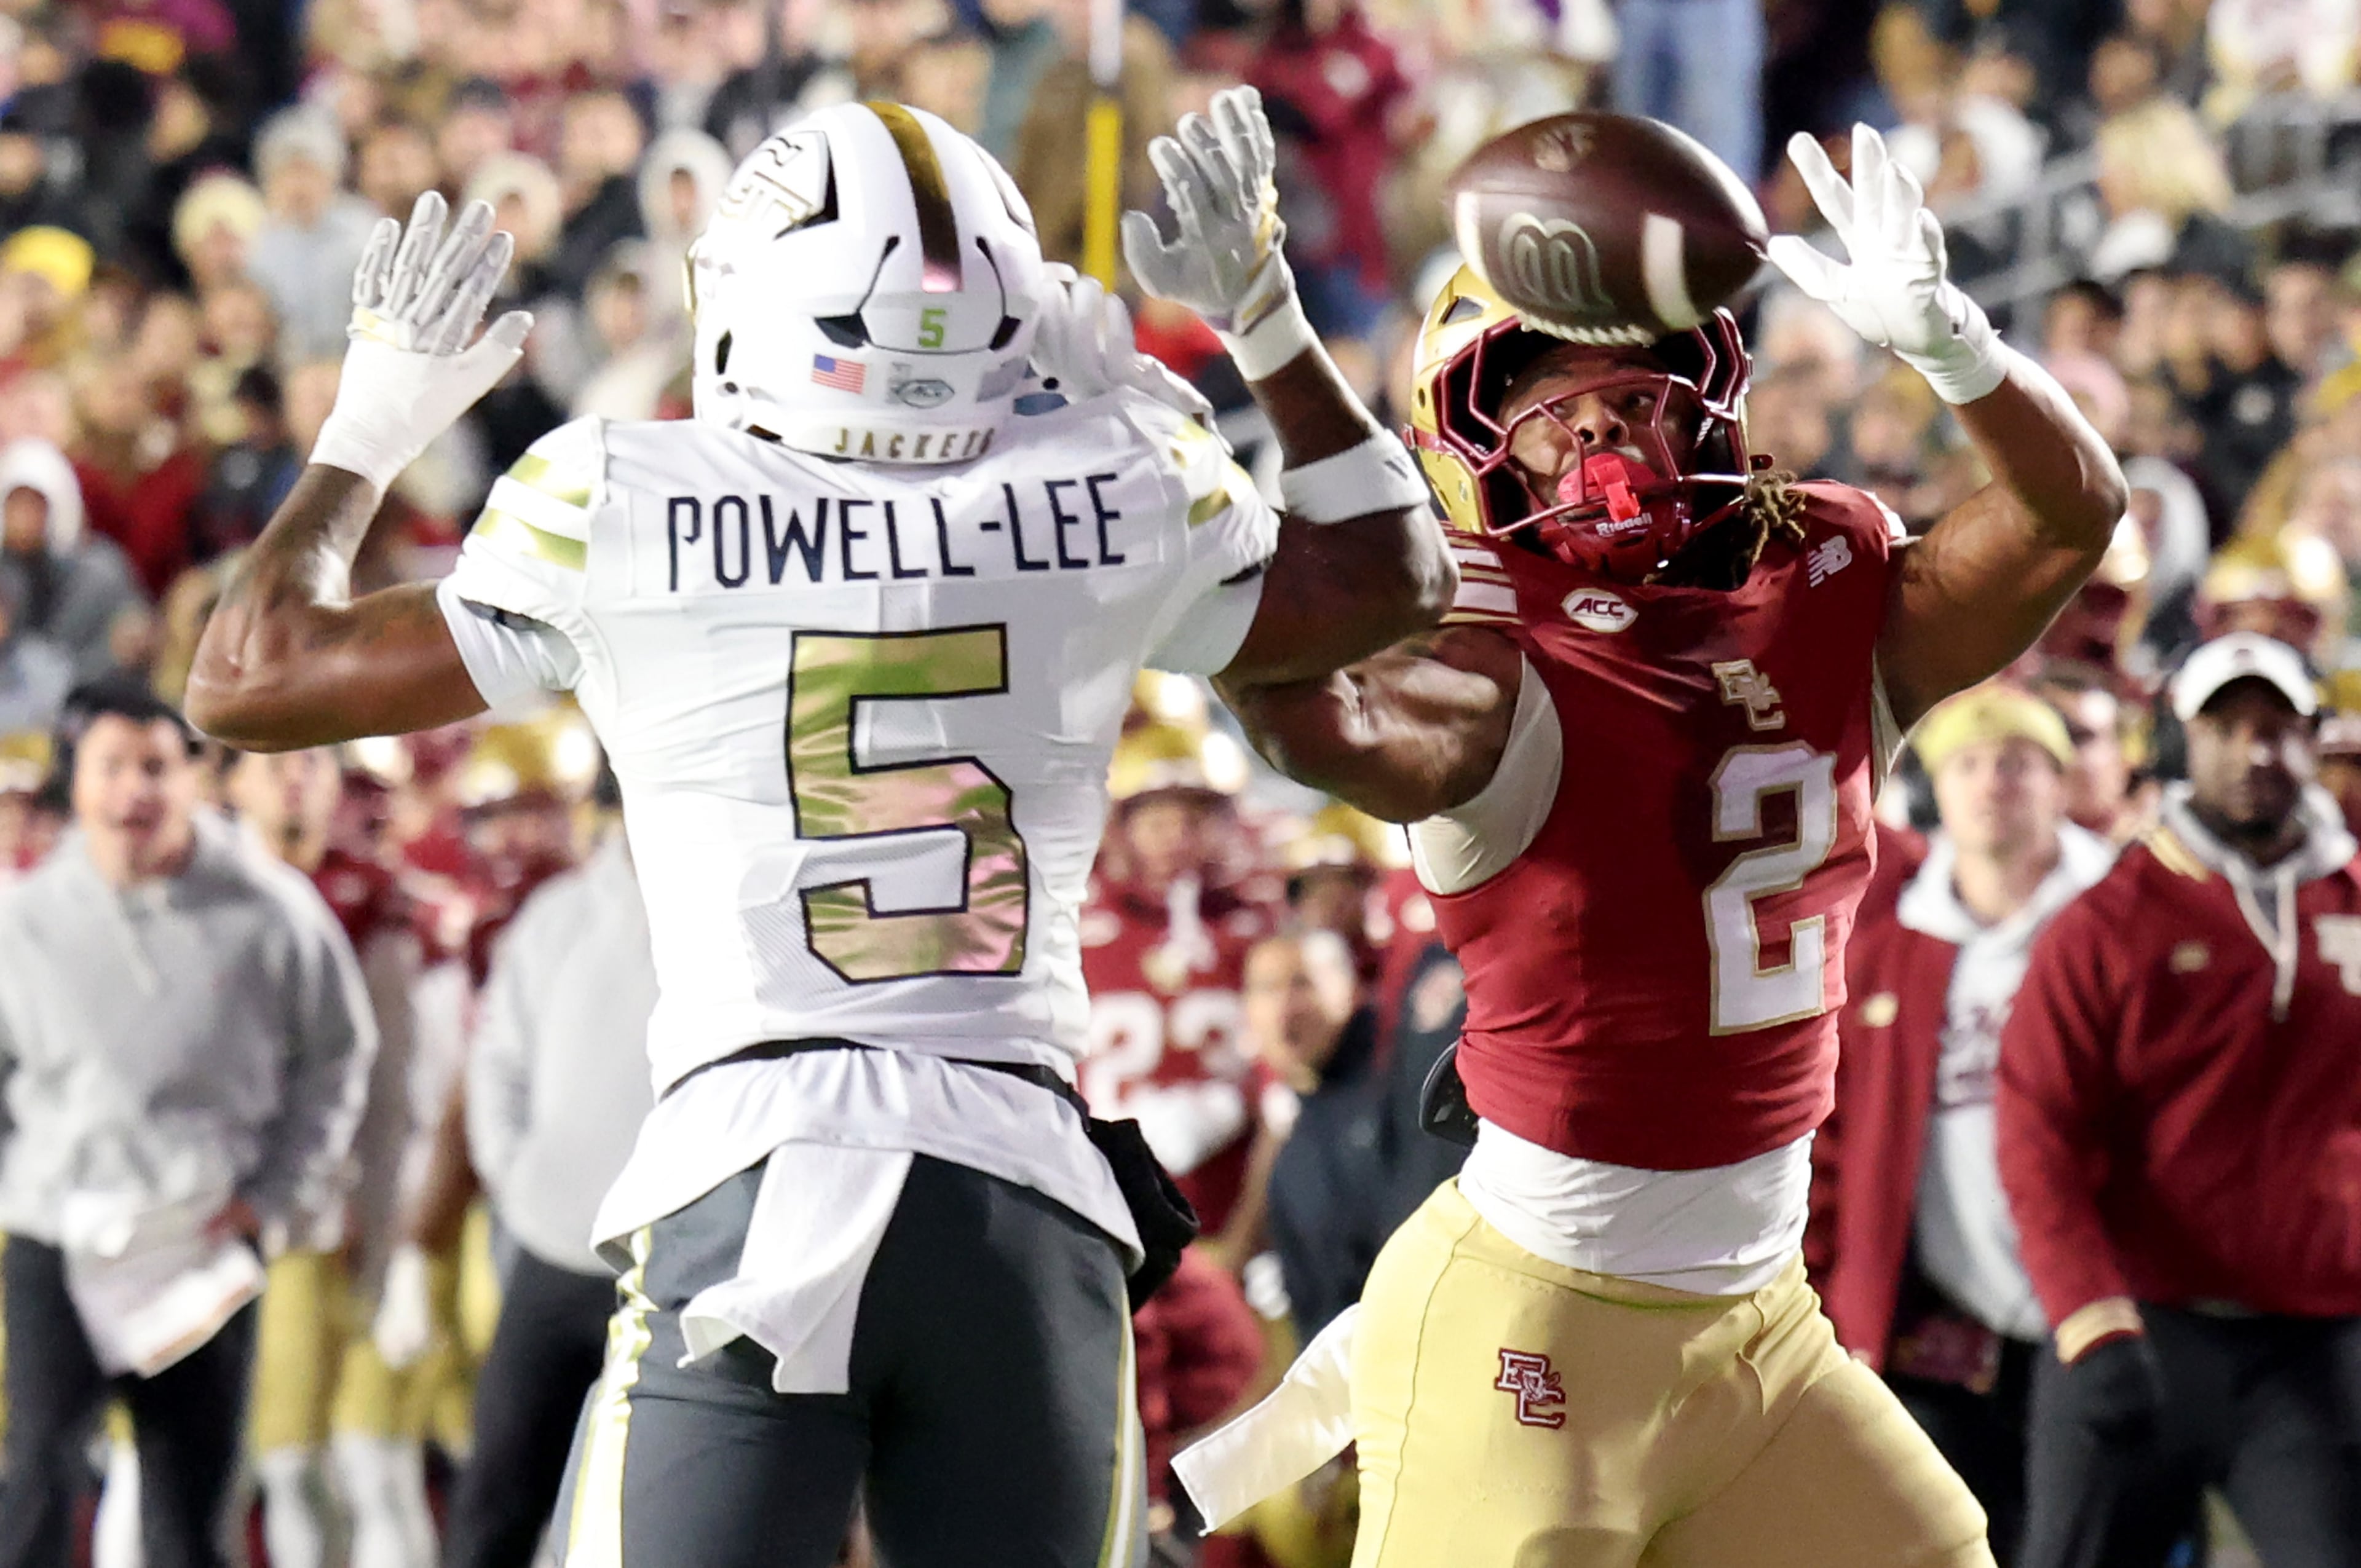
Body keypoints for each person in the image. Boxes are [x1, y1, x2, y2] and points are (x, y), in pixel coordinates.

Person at [183, 90, 1452, 1567]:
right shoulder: (1114, 482)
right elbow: (1394, 576)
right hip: (1022, 1191)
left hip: (752, 1174)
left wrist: (365, 425)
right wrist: (1267, 331)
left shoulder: (621, 497)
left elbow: (246, 674)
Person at [1196, 123, 2127, 1566]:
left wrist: (1955, 348)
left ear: (1701, 403)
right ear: (1474, 459)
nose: (1591, 441)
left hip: (1756, 1318)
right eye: (1546, 415)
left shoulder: (1826, 582)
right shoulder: (1490, 651)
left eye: (1620, 398)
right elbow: (1316, 723)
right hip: (1538, 1316)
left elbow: (2074, 513)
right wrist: (1265, 401)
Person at [1998, 631, 2361, 1568]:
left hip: (2314, 1338)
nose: (2257, 752)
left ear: (2315, 738)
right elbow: (2037, 1131)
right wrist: (2085, 1310)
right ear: (2181, 740)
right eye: (2229, 727)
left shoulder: (2353, 899)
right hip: (2137, 1323)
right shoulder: (2108, 921)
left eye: (2280, 728)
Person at [0, 680, 378, 1568]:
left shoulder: (273, 908)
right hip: (61, 1233)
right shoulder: (23, 919)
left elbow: (338, 1057)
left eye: (158, 767)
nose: (137, 790)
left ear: (196, 777)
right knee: (37, 1482)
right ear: (76, 782)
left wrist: (275, 1197)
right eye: (114, 767)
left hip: (203, 1240)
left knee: (194, 1503)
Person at [1813, 688, 2116, 1562]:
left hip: (2103, 1302)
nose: (1993, 785)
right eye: (1969, 765)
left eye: (2018, 763)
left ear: (2062, 784)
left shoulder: (2122, 922)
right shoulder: (1890, 949)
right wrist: (1835, 1298)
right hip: (1934, 1320)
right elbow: (1834, 1145)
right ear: (1937, 791)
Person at [445, 768, 657, 1568]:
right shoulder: (557, 916)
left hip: (684, 1266)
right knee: (497, 1497)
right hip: (554, 1252)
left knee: (654, 1510)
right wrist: (519, 1175)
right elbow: (496, 1060)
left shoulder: (725, 919)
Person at [1243, 928, 1385, 1342]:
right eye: (1266, 990)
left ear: (1350, 989)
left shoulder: (1401, 1084)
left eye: (1302, 984)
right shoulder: (1294, 1143)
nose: (1284, 1009)